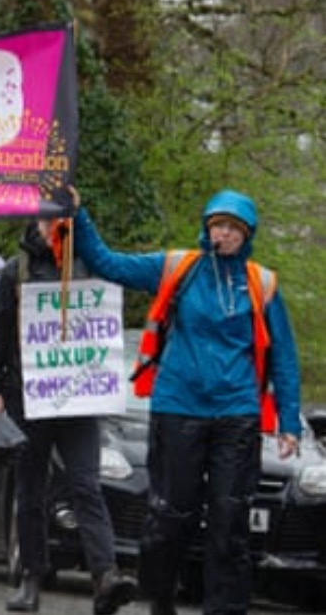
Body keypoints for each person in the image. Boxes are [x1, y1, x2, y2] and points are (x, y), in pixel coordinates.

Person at [71, 189, 302, 615]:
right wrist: (77, 214)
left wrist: (290, 422)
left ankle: (225, 609)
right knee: (170, 514)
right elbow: (108, 263)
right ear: (206, 228)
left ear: (247, 235)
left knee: (230, 518)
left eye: (233, 228)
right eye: (218, 225)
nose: (224, 234)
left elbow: (285, 357)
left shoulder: (263, 284)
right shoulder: (177, 267)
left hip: (236, 412)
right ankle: (159, 599)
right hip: (178, 407)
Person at [0, 218, 137, 613]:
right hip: (28, 398)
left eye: (61, 219)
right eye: (48, 219)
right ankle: (31, 577)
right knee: (30, 489)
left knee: (87, 485)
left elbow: (105, 324)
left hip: (79, 401)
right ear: (36, 221)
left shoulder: (91, 264)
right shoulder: (16, 270)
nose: (53, 227)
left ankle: (105, 576)